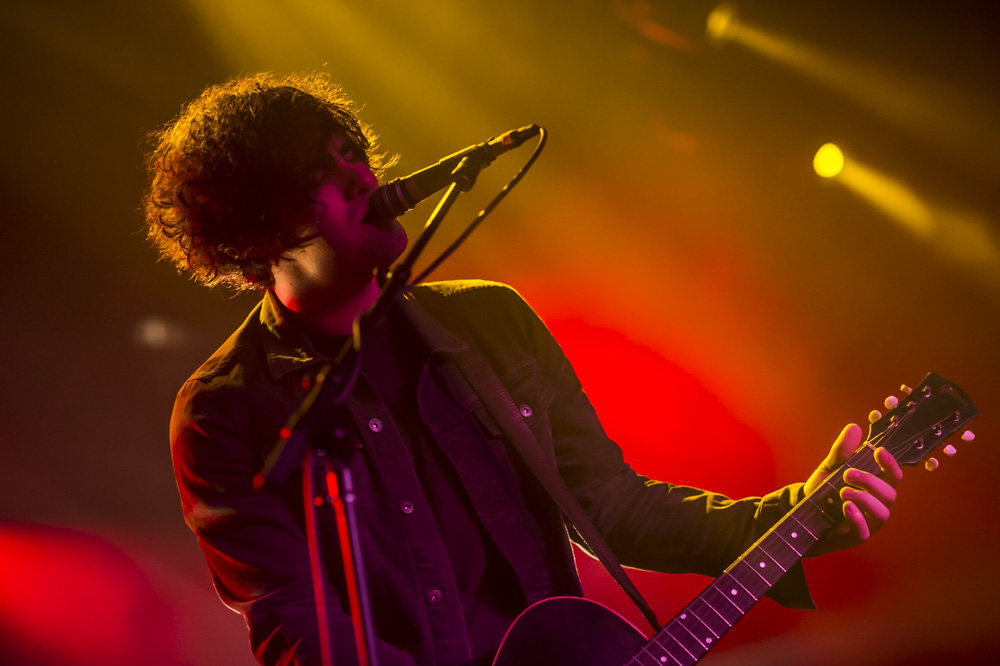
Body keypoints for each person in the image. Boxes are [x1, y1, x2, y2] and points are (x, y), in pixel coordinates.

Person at [144, 72, 902, 666]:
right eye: (319, 167)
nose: (358, 173)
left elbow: (613, 508)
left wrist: (798, 512)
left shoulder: (491, 320)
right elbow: (298, 626)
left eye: (352, 149)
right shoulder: (225, 411)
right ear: (254, 227)